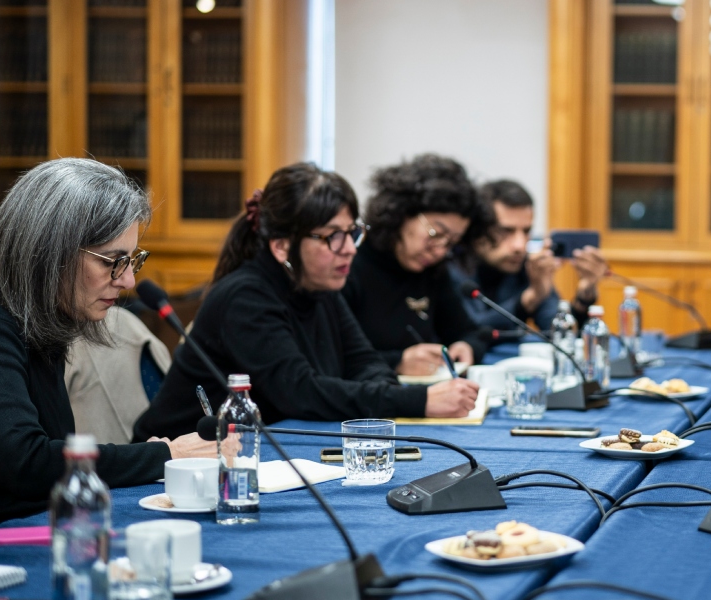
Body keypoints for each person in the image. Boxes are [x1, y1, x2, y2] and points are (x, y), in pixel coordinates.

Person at [0, 158, 215, 533]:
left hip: (43, 532)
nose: (127, 280)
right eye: (113, 261)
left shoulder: (45, 333)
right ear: (50, 254)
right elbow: (26, 465)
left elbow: (55, 464)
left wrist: (148, 456)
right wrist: (166, 455)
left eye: (132, 260)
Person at [134, 163, 479, 440]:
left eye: (352, 233)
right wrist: (419, 400)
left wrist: (384, 391)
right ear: (282, 245)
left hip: (268, 452)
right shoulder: (246, 297)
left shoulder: (319, 284)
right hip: (175, 469)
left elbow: (366, 363)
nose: (348, 249)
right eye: (332, 237)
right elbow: (300, 393)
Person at [343, 154, 488, 375]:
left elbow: (470, 332)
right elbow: (333, 357)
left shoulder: (432, 272)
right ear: (401, 213)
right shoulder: (350, 264)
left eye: (451, 242)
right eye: (436, 233)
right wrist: (396, 362)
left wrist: (466, 347)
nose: (440, 250)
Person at [451, 179, 610, 332]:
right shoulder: (454, 263)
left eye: (526, 231)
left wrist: (584, 296)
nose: (520, 245)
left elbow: (557, 329)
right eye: (506, 231)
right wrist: (530, 298)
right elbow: (469, 331)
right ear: (479, 231)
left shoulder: (525, 265)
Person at [66, 305, 172, 444]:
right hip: (101, 458)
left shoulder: (124, 321)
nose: (129, 283)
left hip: (157, 452)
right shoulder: (122, 320)